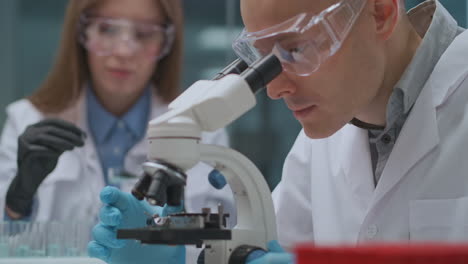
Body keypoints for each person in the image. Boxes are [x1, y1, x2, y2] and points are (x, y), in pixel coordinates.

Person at [91, 0, 468, 263]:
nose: (273, 88)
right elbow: (265, 247)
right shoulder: (321, 139)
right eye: (263, 59)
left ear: (380, 12)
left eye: (297, 49)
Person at [0, 0, 234, 262]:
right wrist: (17, 201)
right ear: (82, 34)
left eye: (144, 34)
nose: (124, 51)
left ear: (166, 43)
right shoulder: (26, 119)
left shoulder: (202, 126)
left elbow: (219, 232)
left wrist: (160, 236)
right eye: (107, 29)